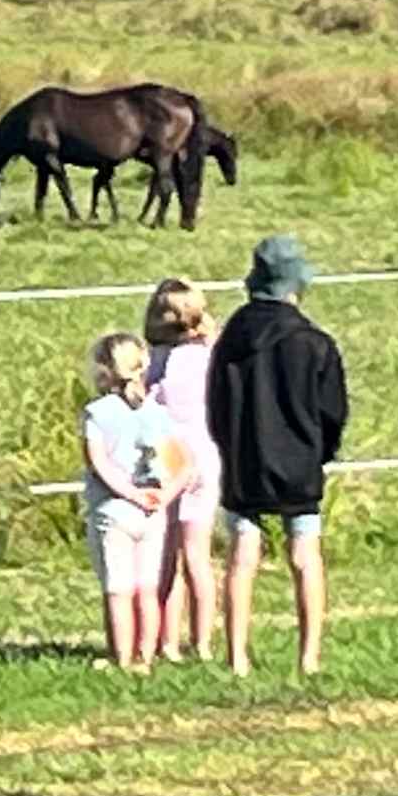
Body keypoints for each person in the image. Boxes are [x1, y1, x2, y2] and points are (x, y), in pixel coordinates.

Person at [206, 233, 349, 677]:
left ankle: (237, 657)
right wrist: (321, 452)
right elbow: (333, 410)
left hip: (244, 460)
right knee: (305, 555)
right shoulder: (314, 343)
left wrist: (228, 446)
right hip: (299, 463)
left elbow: (215, 403)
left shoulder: (230, 340)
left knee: (242, 555)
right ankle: (309, 658)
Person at [78, 330, 177, 675]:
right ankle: (145, 658)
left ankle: (121, 657)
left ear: (104, 372)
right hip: (152, 510)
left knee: (118, 589)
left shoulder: (96, 413)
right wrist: (162, 494)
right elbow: (176, 463)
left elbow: (98, 462)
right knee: (147, 588)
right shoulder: (157, 413)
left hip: (113, 509)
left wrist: (127, 492)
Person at [142, 278, 220, 663]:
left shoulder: (157, 361)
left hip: (170, 457)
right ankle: (202, 642)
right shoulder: (210, 355)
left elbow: (152, 402)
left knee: (167, 554)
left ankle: (167, 641)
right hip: (207, 455)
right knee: (198, 556)